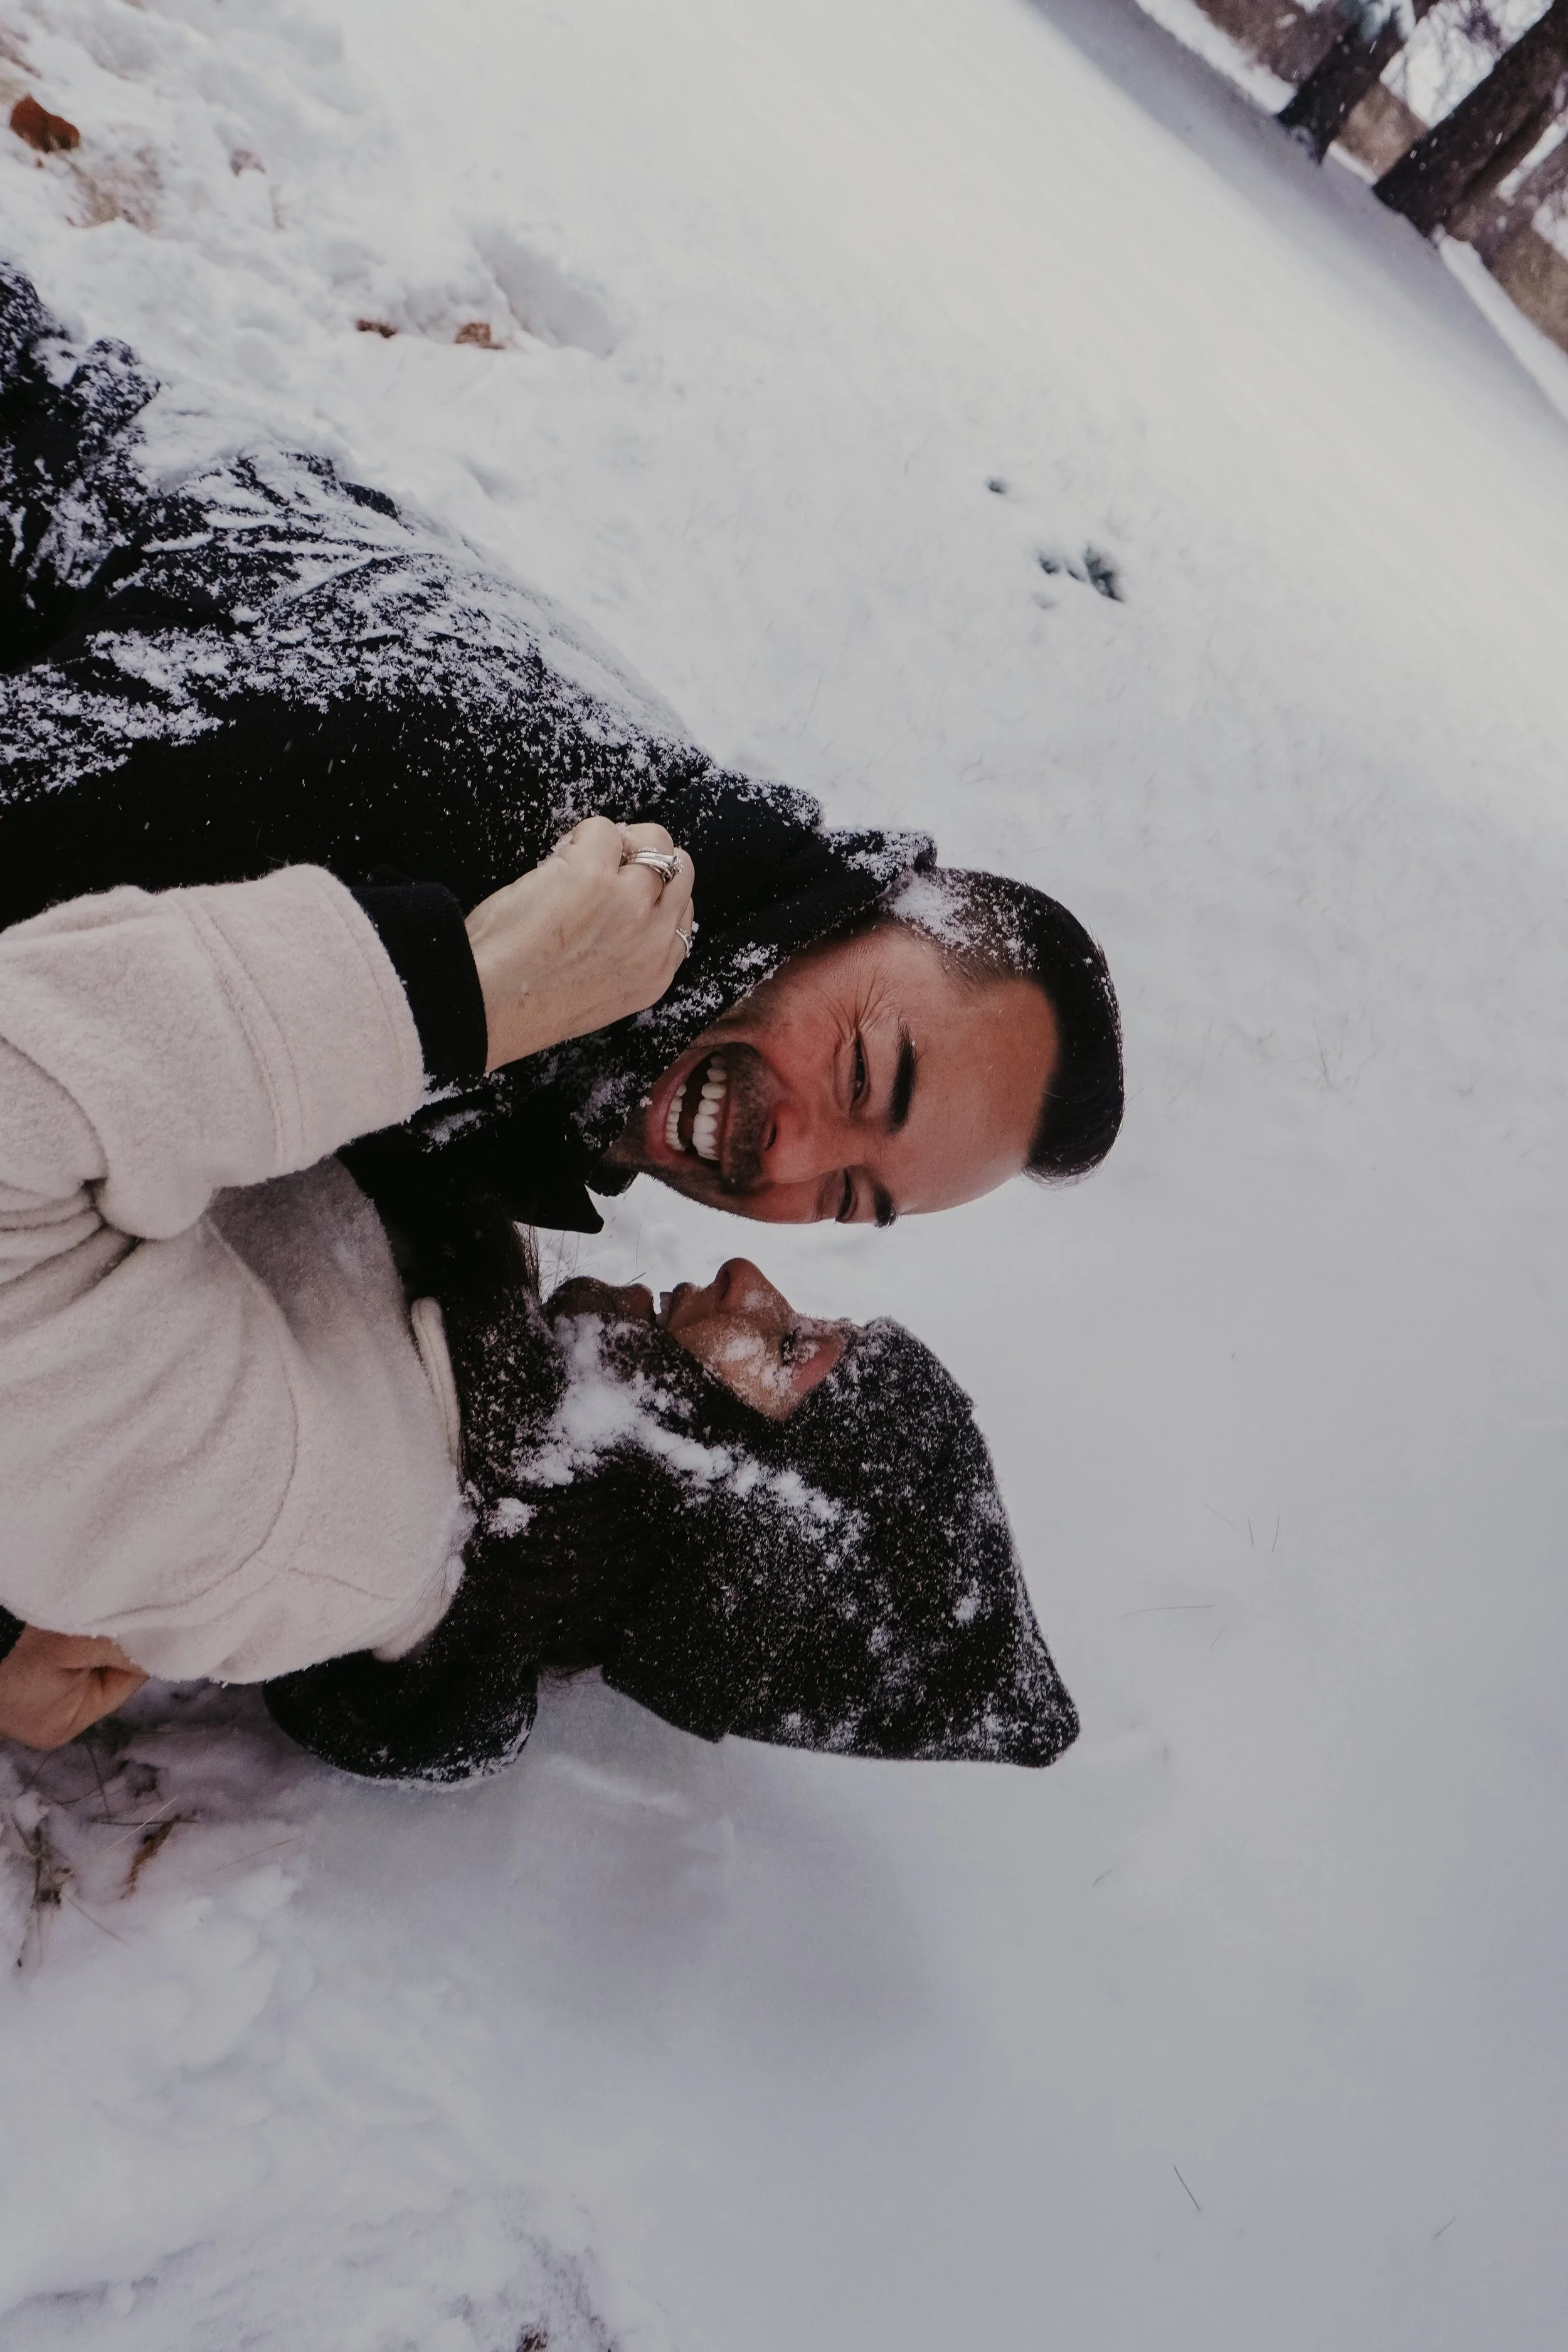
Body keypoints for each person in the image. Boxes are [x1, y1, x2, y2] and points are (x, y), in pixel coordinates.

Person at [0, 266, 1123, 1270]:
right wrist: (444, 1003)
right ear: (852, 911)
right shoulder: (495, 788)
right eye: (864, 1077)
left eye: (845, 1196)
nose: (788, 1159)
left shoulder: (611, 1011)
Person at [0, 855, 1078, 1780]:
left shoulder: (325, 1521)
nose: (751, 1272)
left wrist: (431, 994)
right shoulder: (461, 1373)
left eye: (789, 1345)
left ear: (736, 1506)